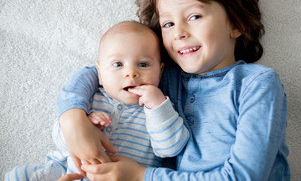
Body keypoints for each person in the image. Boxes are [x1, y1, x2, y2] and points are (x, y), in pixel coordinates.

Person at [56, 0, 290, 181]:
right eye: (168, 24)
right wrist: (72, 117)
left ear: (236, 23)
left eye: (194, 16)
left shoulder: (257, 84)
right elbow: (98, 72)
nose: (179, 32)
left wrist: (140, 176)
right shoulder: (163, 76)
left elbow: (245, 176)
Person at [5, 21, 189, 181]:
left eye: (143, 64)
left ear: (160, 71)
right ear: (100, 74)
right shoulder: (92, 99)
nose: (131, 73)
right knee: (17, 176)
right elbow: (61, 138)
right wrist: (86, 123)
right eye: (118, 64)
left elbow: (170, 148)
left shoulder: (160, 108)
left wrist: (158, 106)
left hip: (124, 177)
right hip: (68, 170)